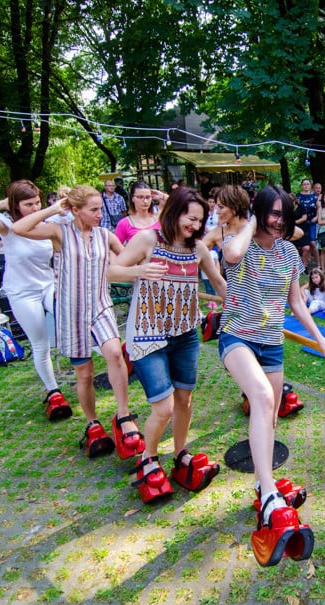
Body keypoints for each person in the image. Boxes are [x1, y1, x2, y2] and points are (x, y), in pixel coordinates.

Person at [217, 185, 325, 567]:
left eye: (286, 214)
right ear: (259, 211)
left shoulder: (288, 252)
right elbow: (231, 253)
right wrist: (252, 219)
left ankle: (261, 482)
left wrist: (320, 338)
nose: (280, 220)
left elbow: (296, 301)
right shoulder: (240, 243)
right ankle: (267, 492)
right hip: (237, 337)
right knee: (263, 400)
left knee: (270, 411)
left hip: (271, 343)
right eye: (273, 212)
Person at [109, 187, 227, 502]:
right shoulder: (148, 240)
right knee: (162, 408)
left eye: (200, 221)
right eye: (191, 218)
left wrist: (243, 307)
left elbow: (217, 282)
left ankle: (179, 454)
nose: (195, 226)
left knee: (184, 401)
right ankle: (148, 458)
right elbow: (111, 270)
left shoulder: (199, 249)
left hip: (186, 333)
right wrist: (138, 271)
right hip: (148, 334)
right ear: (174, 211)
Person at [13, 186, 145, 461]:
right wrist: (52, 209)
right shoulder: (58, 232)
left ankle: (123, 415)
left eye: (100, 209)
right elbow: (19, 228)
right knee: (84, 373)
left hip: (100, 306)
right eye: (93, 210)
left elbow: (126, 263)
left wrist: (145, 271)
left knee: (113, 353)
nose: (100, 215)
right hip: (70, 312)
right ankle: (92, 423)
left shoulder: (105, 235)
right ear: (75, 210)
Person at [0, 181, 72, 420]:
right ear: (16, 205)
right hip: (22, 291)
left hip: (48, 284)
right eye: (28, 204)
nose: (35, 207)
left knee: (69, 314)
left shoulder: (46, 223)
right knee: (40, 342)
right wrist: (6, 203)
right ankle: (53, 390)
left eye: (37, 202)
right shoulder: (6, 224)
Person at [296, 179, 319, 268]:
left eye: (307, 184)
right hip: (301, 223)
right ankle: (304, 264)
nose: (306, 186)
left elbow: (319, 208)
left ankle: (318, 264)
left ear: (310, 185)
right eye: (304, 184)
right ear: (302, 186)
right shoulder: (298, 196)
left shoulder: (314, 196)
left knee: (312, 243)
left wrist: (316, 217)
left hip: (312, 222)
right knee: (303, 245)